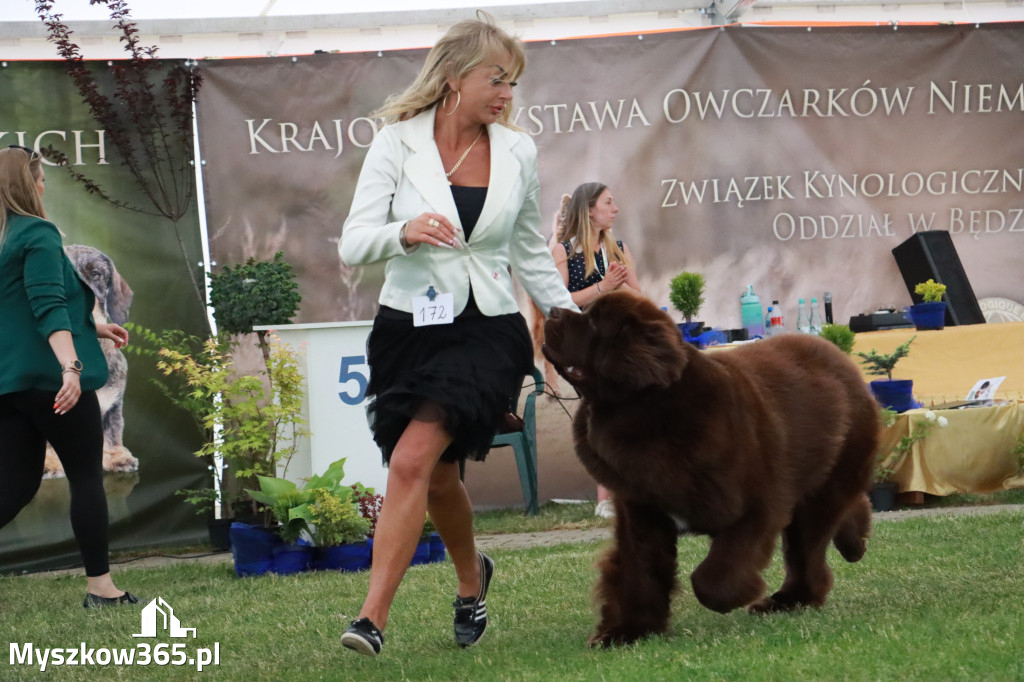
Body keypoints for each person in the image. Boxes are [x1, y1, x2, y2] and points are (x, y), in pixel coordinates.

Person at [338, 14, 576, 657]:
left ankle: (370, 619)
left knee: (411, 461)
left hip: (489, 327)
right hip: (407, 330)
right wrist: (403, 230)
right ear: (452, 77)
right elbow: (354, 242)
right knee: (437, 476)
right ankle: (473, 582)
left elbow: (527, 251)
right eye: (496, 79)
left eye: (513, 83)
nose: (506, 94)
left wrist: (566, 314)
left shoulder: (518, 151)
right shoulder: (395, 144)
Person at [0, 145, 135, 608]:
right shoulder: (36, 232)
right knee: (85, 478)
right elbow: (46, 307)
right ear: (29, 185)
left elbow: (17, 306)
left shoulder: (2, 237)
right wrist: (71, 367)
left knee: (15, 487)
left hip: (10, 384)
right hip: (51, 382)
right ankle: (101, 588)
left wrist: (95, 324)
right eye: (40, 180)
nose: (44, 186)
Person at [549, 182, 641, 519]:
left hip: (620, 343)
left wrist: (622, 291)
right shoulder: (563, 251)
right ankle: (606, 498)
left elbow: (639, 296)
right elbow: (559, 305)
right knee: (603, 411)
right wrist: (603, 287)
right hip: (584, 348)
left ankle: (631, 493)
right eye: (608, 202)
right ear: (589, 210)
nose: (615, 209)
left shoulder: (618, 247)